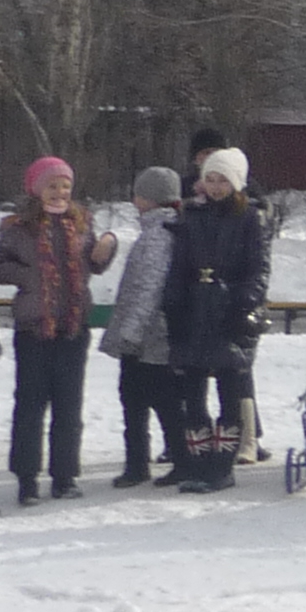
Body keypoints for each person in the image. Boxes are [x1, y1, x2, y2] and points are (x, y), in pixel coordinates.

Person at [0, 155, 118, 504]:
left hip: (73, 328)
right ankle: (27, 478)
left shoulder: (81, 223)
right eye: (52, 185)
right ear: (36, 189)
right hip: (34, 329)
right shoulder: (19, 227)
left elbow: (94, 265)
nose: (60, 192)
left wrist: (106, 251)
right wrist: (29, 276)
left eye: (65, 186)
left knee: (68, 407)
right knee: (30, 406)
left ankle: (64, 475)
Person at [100, 169, 186, 490]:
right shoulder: (168, 230)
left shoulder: (156, 236)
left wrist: (130, 332)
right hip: (155, 335)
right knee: (164, 401)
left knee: (139, 401)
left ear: (145, 199)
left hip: (147, 338)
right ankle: (174, 458)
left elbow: (148, 288)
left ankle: (141, 463)